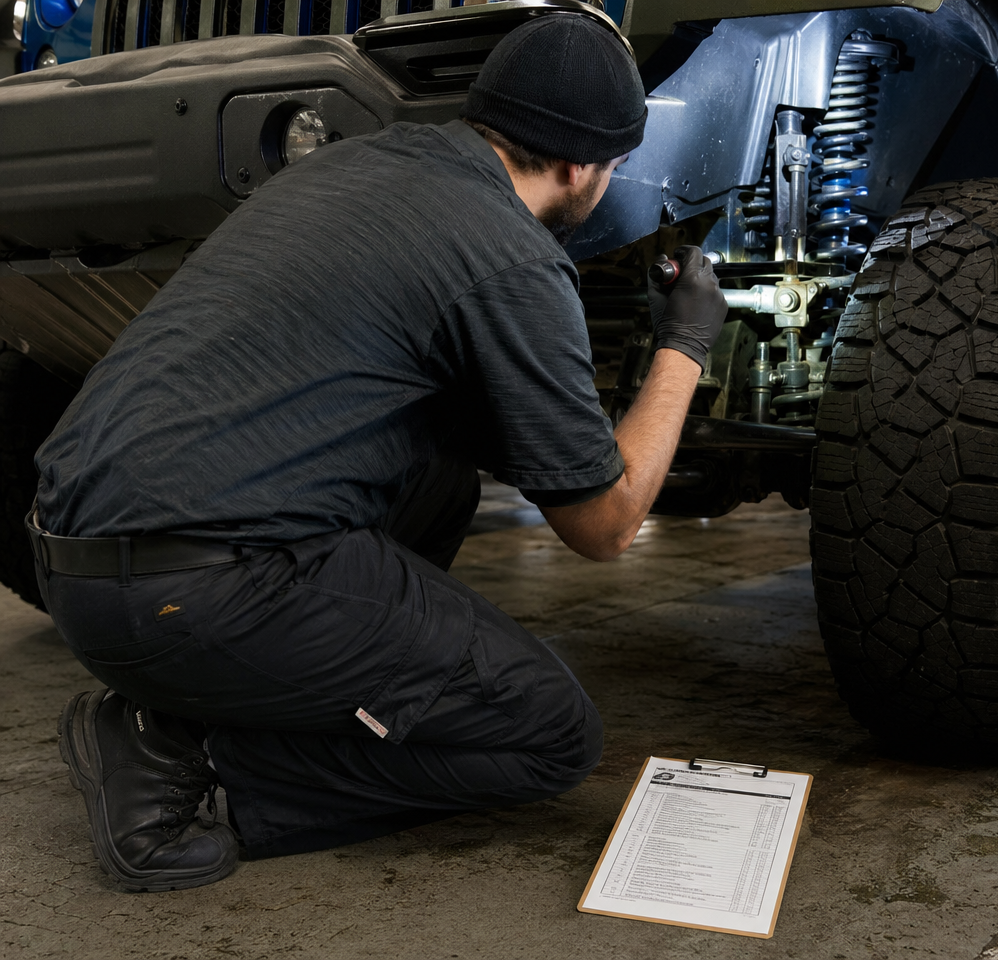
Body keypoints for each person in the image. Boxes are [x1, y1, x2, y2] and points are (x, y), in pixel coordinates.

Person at [30, 13, 727, 891]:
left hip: (70, 558)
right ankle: (188, 760)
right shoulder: (509, 254)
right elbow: (605, 522)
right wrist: (685, 346)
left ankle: (215, 702)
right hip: (189, 595)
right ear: (583, 166)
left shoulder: (352, 165)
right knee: (551, 737)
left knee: (438, 481)